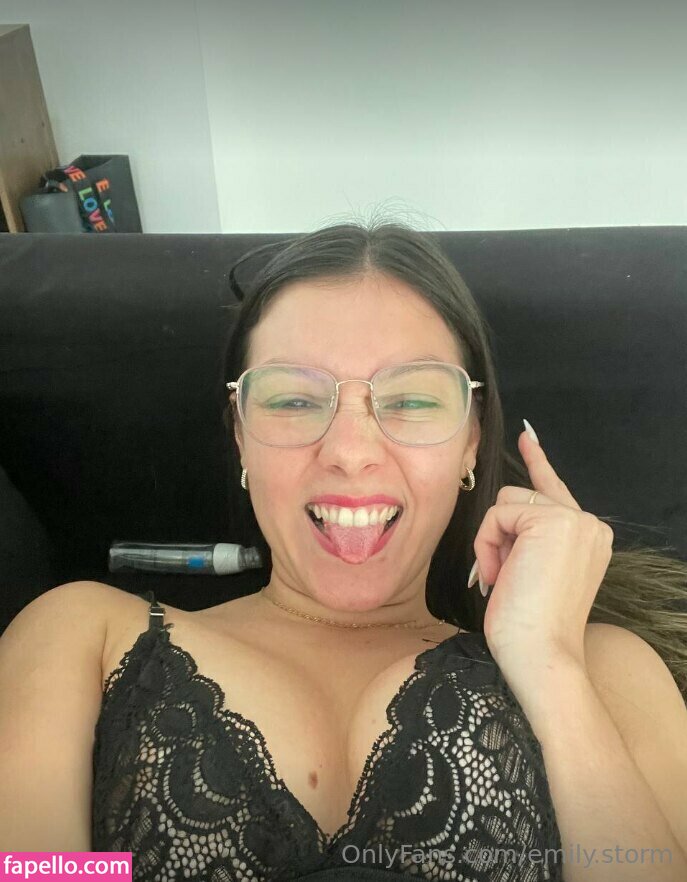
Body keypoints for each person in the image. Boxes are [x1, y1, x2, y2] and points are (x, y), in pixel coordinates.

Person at [1, 220, 686, 882]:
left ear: (471, 442)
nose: (351, 452)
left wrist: (549, 663)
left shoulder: (602, 671)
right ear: (240, 437)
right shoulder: (84, 637)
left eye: (411, 400)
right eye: (294, 401)